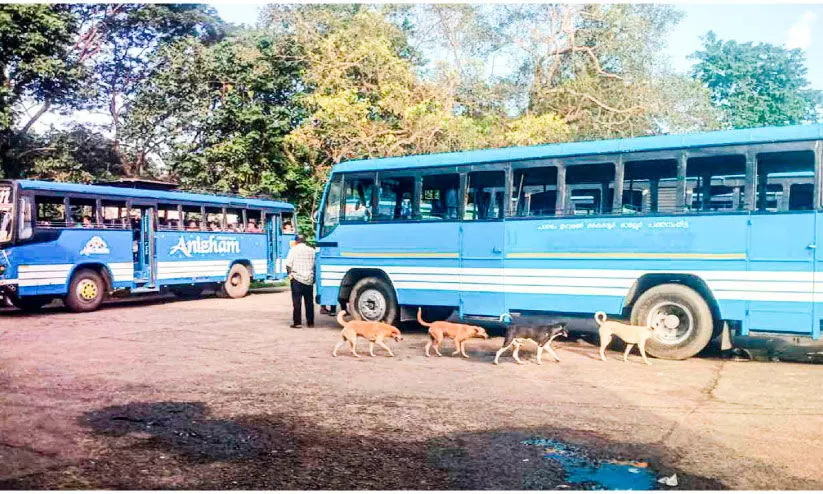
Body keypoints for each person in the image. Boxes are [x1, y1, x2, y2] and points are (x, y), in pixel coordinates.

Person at [285, 234, 315, 328]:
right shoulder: (312, 250)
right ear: (305, 240)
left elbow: (288, 264)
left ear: (296, 241)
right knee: (309, 302)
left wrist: (290, 274)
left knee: (297, 302)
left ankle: (297, 322)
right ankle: (310, 322)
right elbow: (315, 265)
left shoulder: (293, 250)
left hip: (297, 279)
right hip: (309, 279)